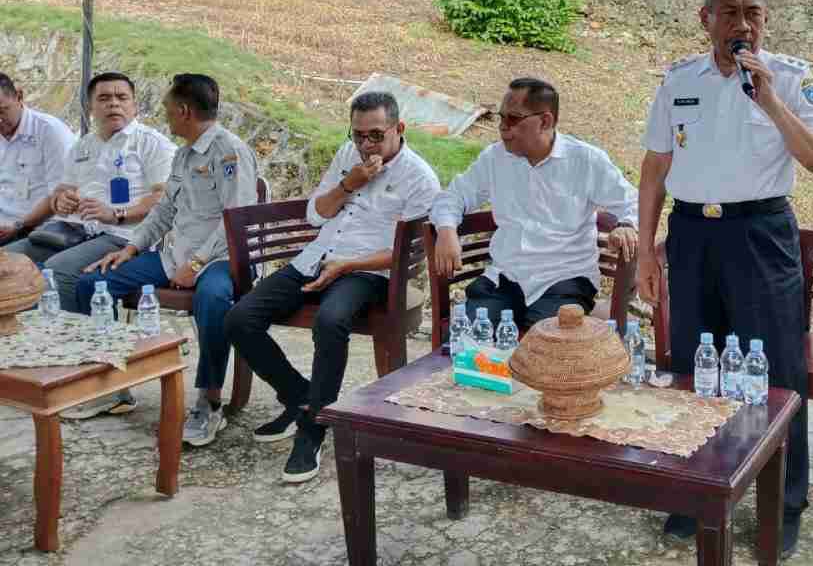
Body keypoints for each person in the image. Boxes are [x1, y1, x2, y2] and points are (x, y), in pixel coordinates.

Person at [635, 0, 813, 558]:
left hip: (761, 233)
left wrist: (770, 99)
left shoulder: (792, 80)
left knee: (778, 370)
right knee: (693, 365)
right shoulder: (678, 82)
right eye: (729, 13)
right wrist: (646, 248)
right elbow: (654, 168)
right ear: (706, 20)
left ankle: (785, 500)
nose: (742, 25)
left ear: (765, 19)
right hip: (694, 232)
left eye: (753, 13)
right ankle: (696, 488)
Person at [226, 92, 440, 483]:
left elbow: (412, 254)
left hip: (369, 272)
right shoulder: (348, 156)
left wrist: (349, 265)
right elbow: (315, 214)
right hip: (318, 257)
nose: (365, 145)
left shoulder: (419, 177)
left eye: (376, 135)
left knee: (331, 320)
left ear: (399, 129)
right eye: (358, 135)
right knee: (240, 318)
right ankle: (305, 400)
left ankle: (311, 430)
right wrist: (349, 182)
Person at [73, 74, 258, 445]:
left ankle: (209, 400)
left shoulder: (229, 152)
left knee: (213, 298)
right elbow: (164, 211)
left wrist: (197, 264)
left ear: (185, 111)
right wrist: (132, 248)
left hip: (224, 257)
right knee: (93, 283)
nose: (166, 116)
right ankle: (115, 385)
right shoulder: (185, 153)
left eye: (168, 109)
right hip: (177, 255)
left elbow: (236, 220)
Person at [431, 77, 638, 329]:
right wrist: (446, 230)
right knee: (467, 339)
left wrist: (627, 224)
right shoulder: (495, 158)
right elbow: (451, 197)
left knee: (542, 348)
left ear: (545, 121)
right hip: (505, 278)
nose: (503, 127)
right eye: (501, 117)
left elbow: (634, 202)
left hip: (565, 280)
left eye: (513, 119)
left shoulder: (585, 160)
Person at [6, 73, 177, 341]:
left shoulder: (151, 143)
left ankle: (78, 352)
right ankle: (21, 346)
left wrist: (116, 214)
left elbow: (164, 198)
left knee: (58, 269)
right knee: (8, 262)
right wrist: (61, 201)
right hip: (75, 231)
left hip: (124, 237)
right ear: (90, 107)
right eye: (104, 98)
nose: (114, 104)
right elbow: (62, 192)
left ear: (135, 105)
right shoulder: (83, 145)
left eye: (122, 98)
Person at [0, 72, 75, 246]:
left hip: (39, 228)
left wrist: (19, 225)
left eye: (2, 111)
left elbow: (60, 194)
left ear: (19, 96)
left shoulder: (51, 132)